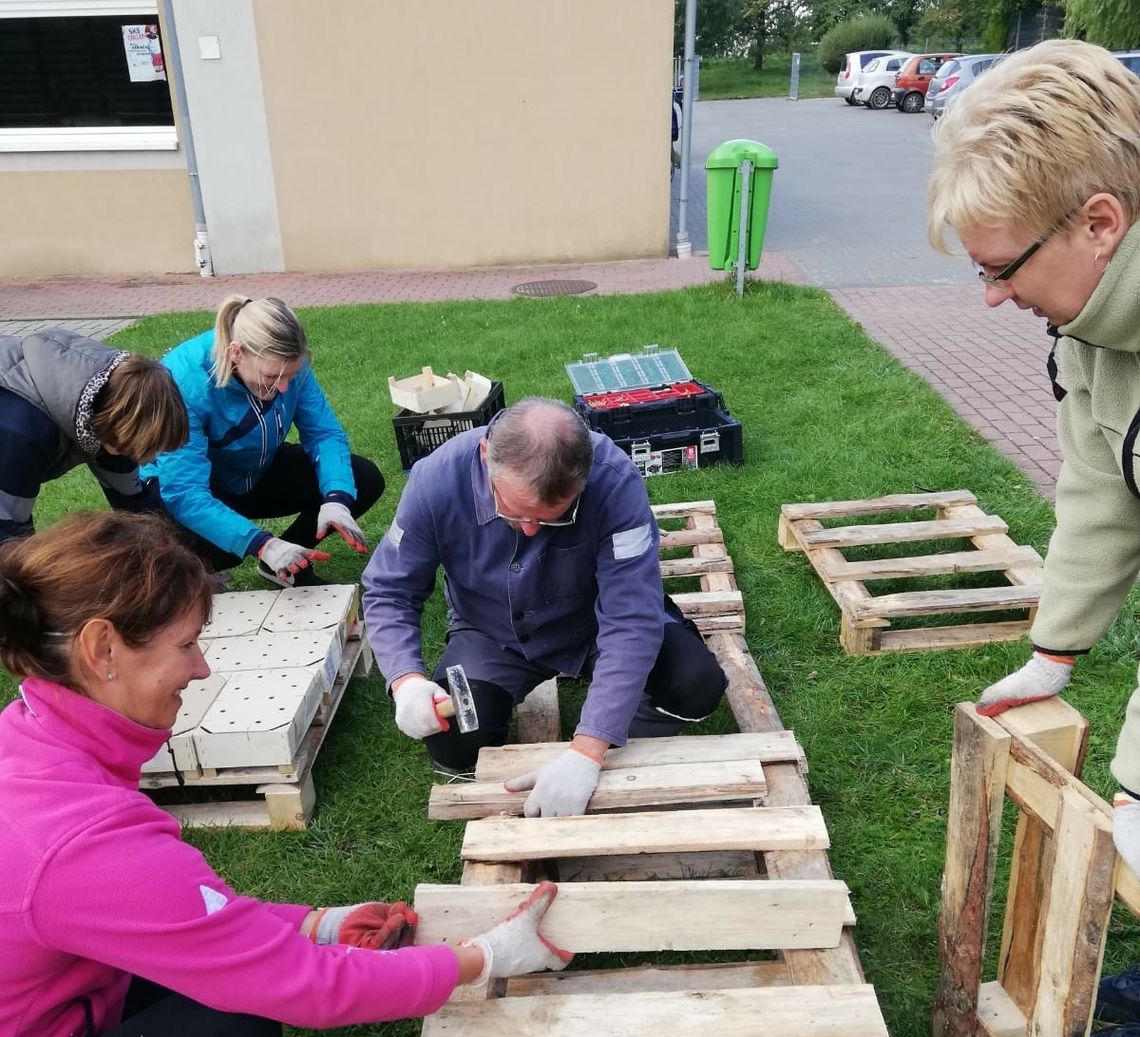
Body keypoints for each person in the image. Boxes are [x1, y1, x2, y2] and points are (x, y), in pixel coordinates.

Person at [0, 510, 571, 1036]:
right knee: (238, 1021)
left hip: (62, 989)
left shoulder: (31, 735)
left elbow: (178, 917)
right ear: (103, 648)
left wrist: (314, 925)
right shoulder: (84, 846)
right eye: (188, 644)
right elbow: (302, 986)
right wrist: (483, 956)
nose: (201, 668)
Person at [926, 39, 1140, 1033]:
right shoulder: (1096, 335)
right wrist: (1053, 651)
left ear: (1099, 223)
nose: (993, 297)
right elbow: (1101, 487)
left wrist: (1136, 779)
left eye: (1001, 267)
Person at [362, 397, 727, 815]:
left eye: (552, 518)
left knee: (695, 684)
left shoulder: (615, 481)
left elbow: (630, 620)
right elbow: (390, 591)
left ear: (583, 479)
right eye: (516, 514)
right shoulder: (436, 480)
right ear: (486, 458)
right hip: (491, 632)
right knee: (456, 741)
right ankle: (589, 732)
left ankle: (601, 740)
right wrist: (404, 679)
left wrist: (588, 752)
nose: (533, 531)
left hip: (594, 623)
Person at [145, 295, 383, 587]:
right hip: (191, 488)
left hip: (251, 471)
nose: (283, 387)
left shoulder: (285, 364)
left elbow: (324, 434)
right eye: (272, 377)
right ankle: (210, 567)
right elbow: (184, 491)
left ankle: (285, 562)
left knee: (362, 479)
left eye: (291, 376)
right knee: (222, 550)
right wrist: (260, 543)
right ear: (236, 353)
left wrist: (337, 499)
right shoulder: (183, 382)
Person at [0, 328, 187, 543]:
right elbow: (9, 539)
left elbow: (137, 505)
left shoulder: (109, 397)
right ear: (115, 438)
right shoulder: (23, 436)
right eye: (148, 448)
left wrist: (188, 563)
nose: (152, 457)